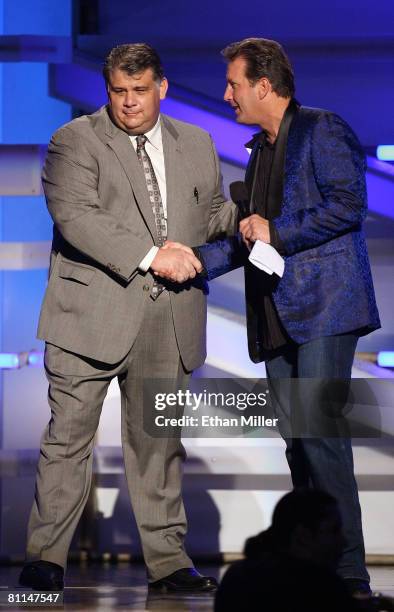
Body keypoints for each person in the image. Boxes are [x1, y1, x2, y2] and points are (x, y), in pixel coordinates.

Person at [19, 42, 236, 592]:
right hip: (87, 315)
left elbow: (211, 213)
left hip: (169, 318)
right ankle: (45, 560)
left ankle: (167, 563)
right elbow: (76, 217)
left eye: (140, 91)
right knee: (67, 440)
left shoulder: (198, 142)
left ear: (162, 87)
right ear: (106, 88)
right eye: (119, 91)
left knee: (159, 447)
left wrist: (253, 214)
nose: (130, 102)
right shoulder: (76, 140)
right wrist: (151, 253)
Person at [170, 37, 380, 595]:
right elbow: (247, 237)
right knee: (296, 438)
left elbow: (347, 203)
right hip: (277, 312)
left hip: (327, 307)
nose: (227, 94)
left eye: (234, 84)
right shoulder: (259, 150)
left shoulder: (321, 129)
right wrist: (193, 262)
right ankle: (313, 567)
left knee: (319, 433)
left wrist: (277, 231)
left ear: (265, 86)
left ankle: (349, 572)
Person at [215, 489, 359, 612]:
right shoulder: (321, 587)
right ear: (303, 535)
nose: (343, 542)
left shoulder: (237, 575)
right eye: (334, 531)